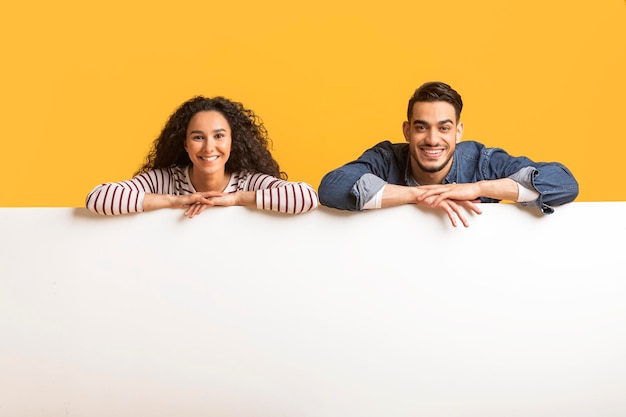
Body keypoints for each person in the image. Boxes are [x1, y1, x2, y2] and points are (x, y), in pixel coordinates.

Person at [318, 81, 579, 227]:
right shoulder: (386, 158)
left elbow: (563, 183)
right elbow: (332, 187)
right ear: (407, 131)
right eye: (422, 128)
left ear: (458, 132)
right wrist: (418, 195)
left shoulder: (482, 162)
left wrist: (478, 187)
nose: (433, 139)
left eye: (444, 128)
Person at [86, 96, 318, 217]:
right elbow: (97, 198)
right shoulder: (165, 181)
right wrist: (173, 201)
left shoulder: (247, 182)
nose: (209, 148)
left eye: (219, 136)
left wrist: (237, 199)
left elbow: (307, 197)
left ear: (232, 142)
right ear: (185, 144)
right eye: (198, 137)